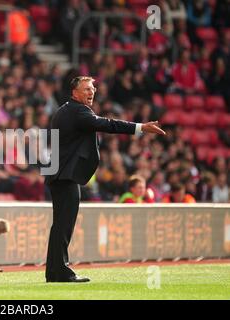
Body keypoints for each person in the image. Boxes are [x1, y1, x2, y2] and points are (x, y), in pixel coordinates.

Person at [44, 76, 165, 283]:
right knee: (63, 226)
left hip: (60, 175)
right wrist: (140, 127)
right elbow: (107, 124)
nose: (91, 92)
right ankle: (60, 271)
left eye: (92, 89)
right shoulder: (78, 111)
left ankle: (55, 271)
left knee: (60, 225)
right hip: (65, 176)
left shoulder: (66, 110)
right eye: (86, 89)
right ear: (74, 92)